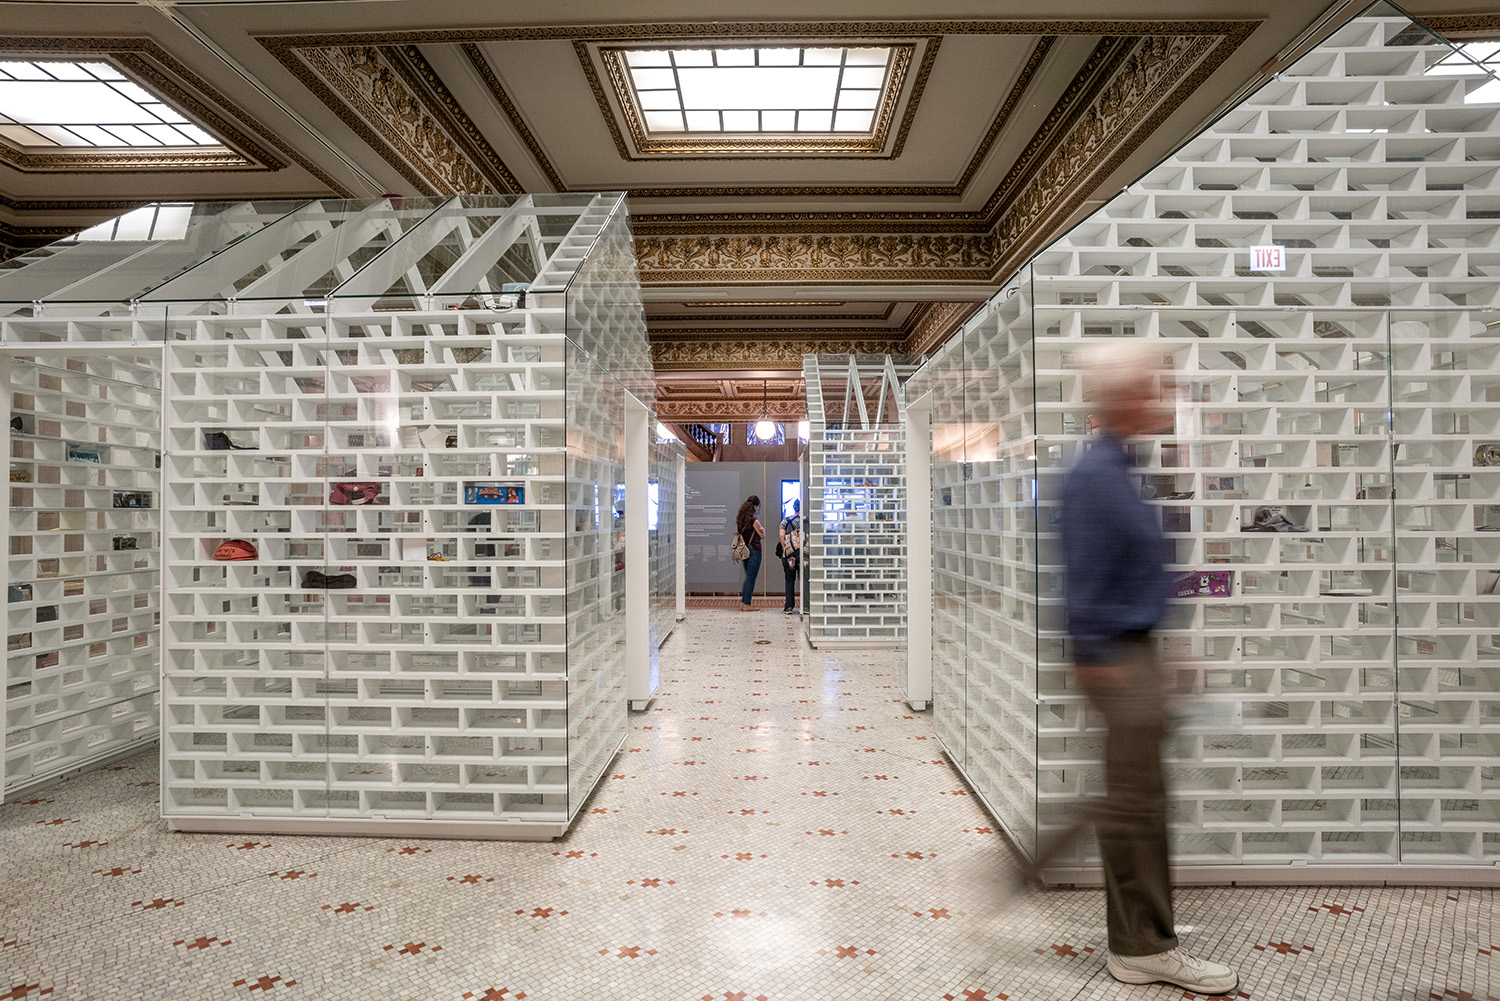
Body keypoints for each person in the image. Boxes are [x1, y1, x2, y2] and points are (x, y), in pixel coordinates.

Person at [1058, 340, 1237, 997]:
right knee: (1134, 807)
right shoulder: (1095, 475)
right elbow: (1082, 574)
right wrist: (1097, 651)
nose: (1158, 395)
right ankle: (1141, 946)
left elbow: (1134, 567)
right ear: (1121, 396)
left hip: (1135, 653)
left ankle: (1141, 937)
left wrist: (1170, 646)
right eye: (1148, 385)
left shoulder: (1120, 467)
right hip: (1118, 660)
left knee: (1139, 801)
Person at [735, 495, 764, 611]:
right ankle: (747, 604)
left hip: (744, 550)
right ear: (755, 507)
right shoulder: (755, 521)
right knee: (751, 578)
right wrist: (763, 531)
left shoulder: (740, 521)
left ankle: (743, 603)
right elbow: (762, 536)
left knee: (748, 577)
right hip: (754, 551)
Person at [779, 499, 802, 614]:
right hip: (804, 555)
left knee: (789, 580)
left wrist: (786, 549)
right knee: (804, 580)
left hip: (789, 556)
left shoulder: (786, 521)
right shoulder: (806, 521)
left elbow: (781, 537)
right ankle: (806, 606)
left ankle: (789, 607)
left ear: (793, 507)